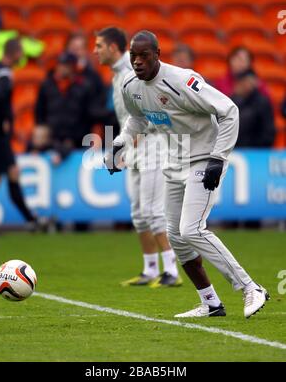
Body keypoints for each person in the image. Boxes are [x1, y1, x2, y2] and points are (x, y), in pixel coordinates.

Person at [104, 30, 269, 318]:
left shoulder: (182, 80)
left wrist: (218, 158)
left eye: (144, 55)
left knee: (192, 229)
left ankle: (250, 288)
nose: (138, 62)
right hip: (174, 162)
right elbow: (138, 119)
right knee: (177, 237)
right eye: (133, 56)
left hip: (204, 159)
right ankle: (211, 303)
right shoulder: (131, 87)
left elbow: (229, 111)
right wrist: (120, 143)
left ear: (157, 55)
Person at [94, 27, 181, 287]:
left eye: (99, 45)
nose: (95, 50)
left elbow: (148, 111)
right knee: (139, 213)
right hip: (134, 146)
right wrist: (121, 146)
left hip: (152, 143)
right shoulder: (118, 74)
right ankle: (150, 269)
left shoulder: (134, 70)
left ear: (112, 48)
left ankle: (172, 271)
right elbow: (127, 119)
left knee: (154, 212)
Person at [0, 39, 41, 238]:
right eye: (20, 53)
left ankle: (30, 220)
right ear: (15, 52)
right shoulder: (4, 74)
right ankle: (30, 220)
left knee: (4, 175)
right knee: (2, 175)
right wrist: (1, 120)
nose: (22, 57)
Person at [231, 69, 275, 148]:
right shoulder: (233, 101)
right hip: (235, 149)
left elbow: (268, 131)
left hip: (257, 150)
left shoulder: (262, 102)